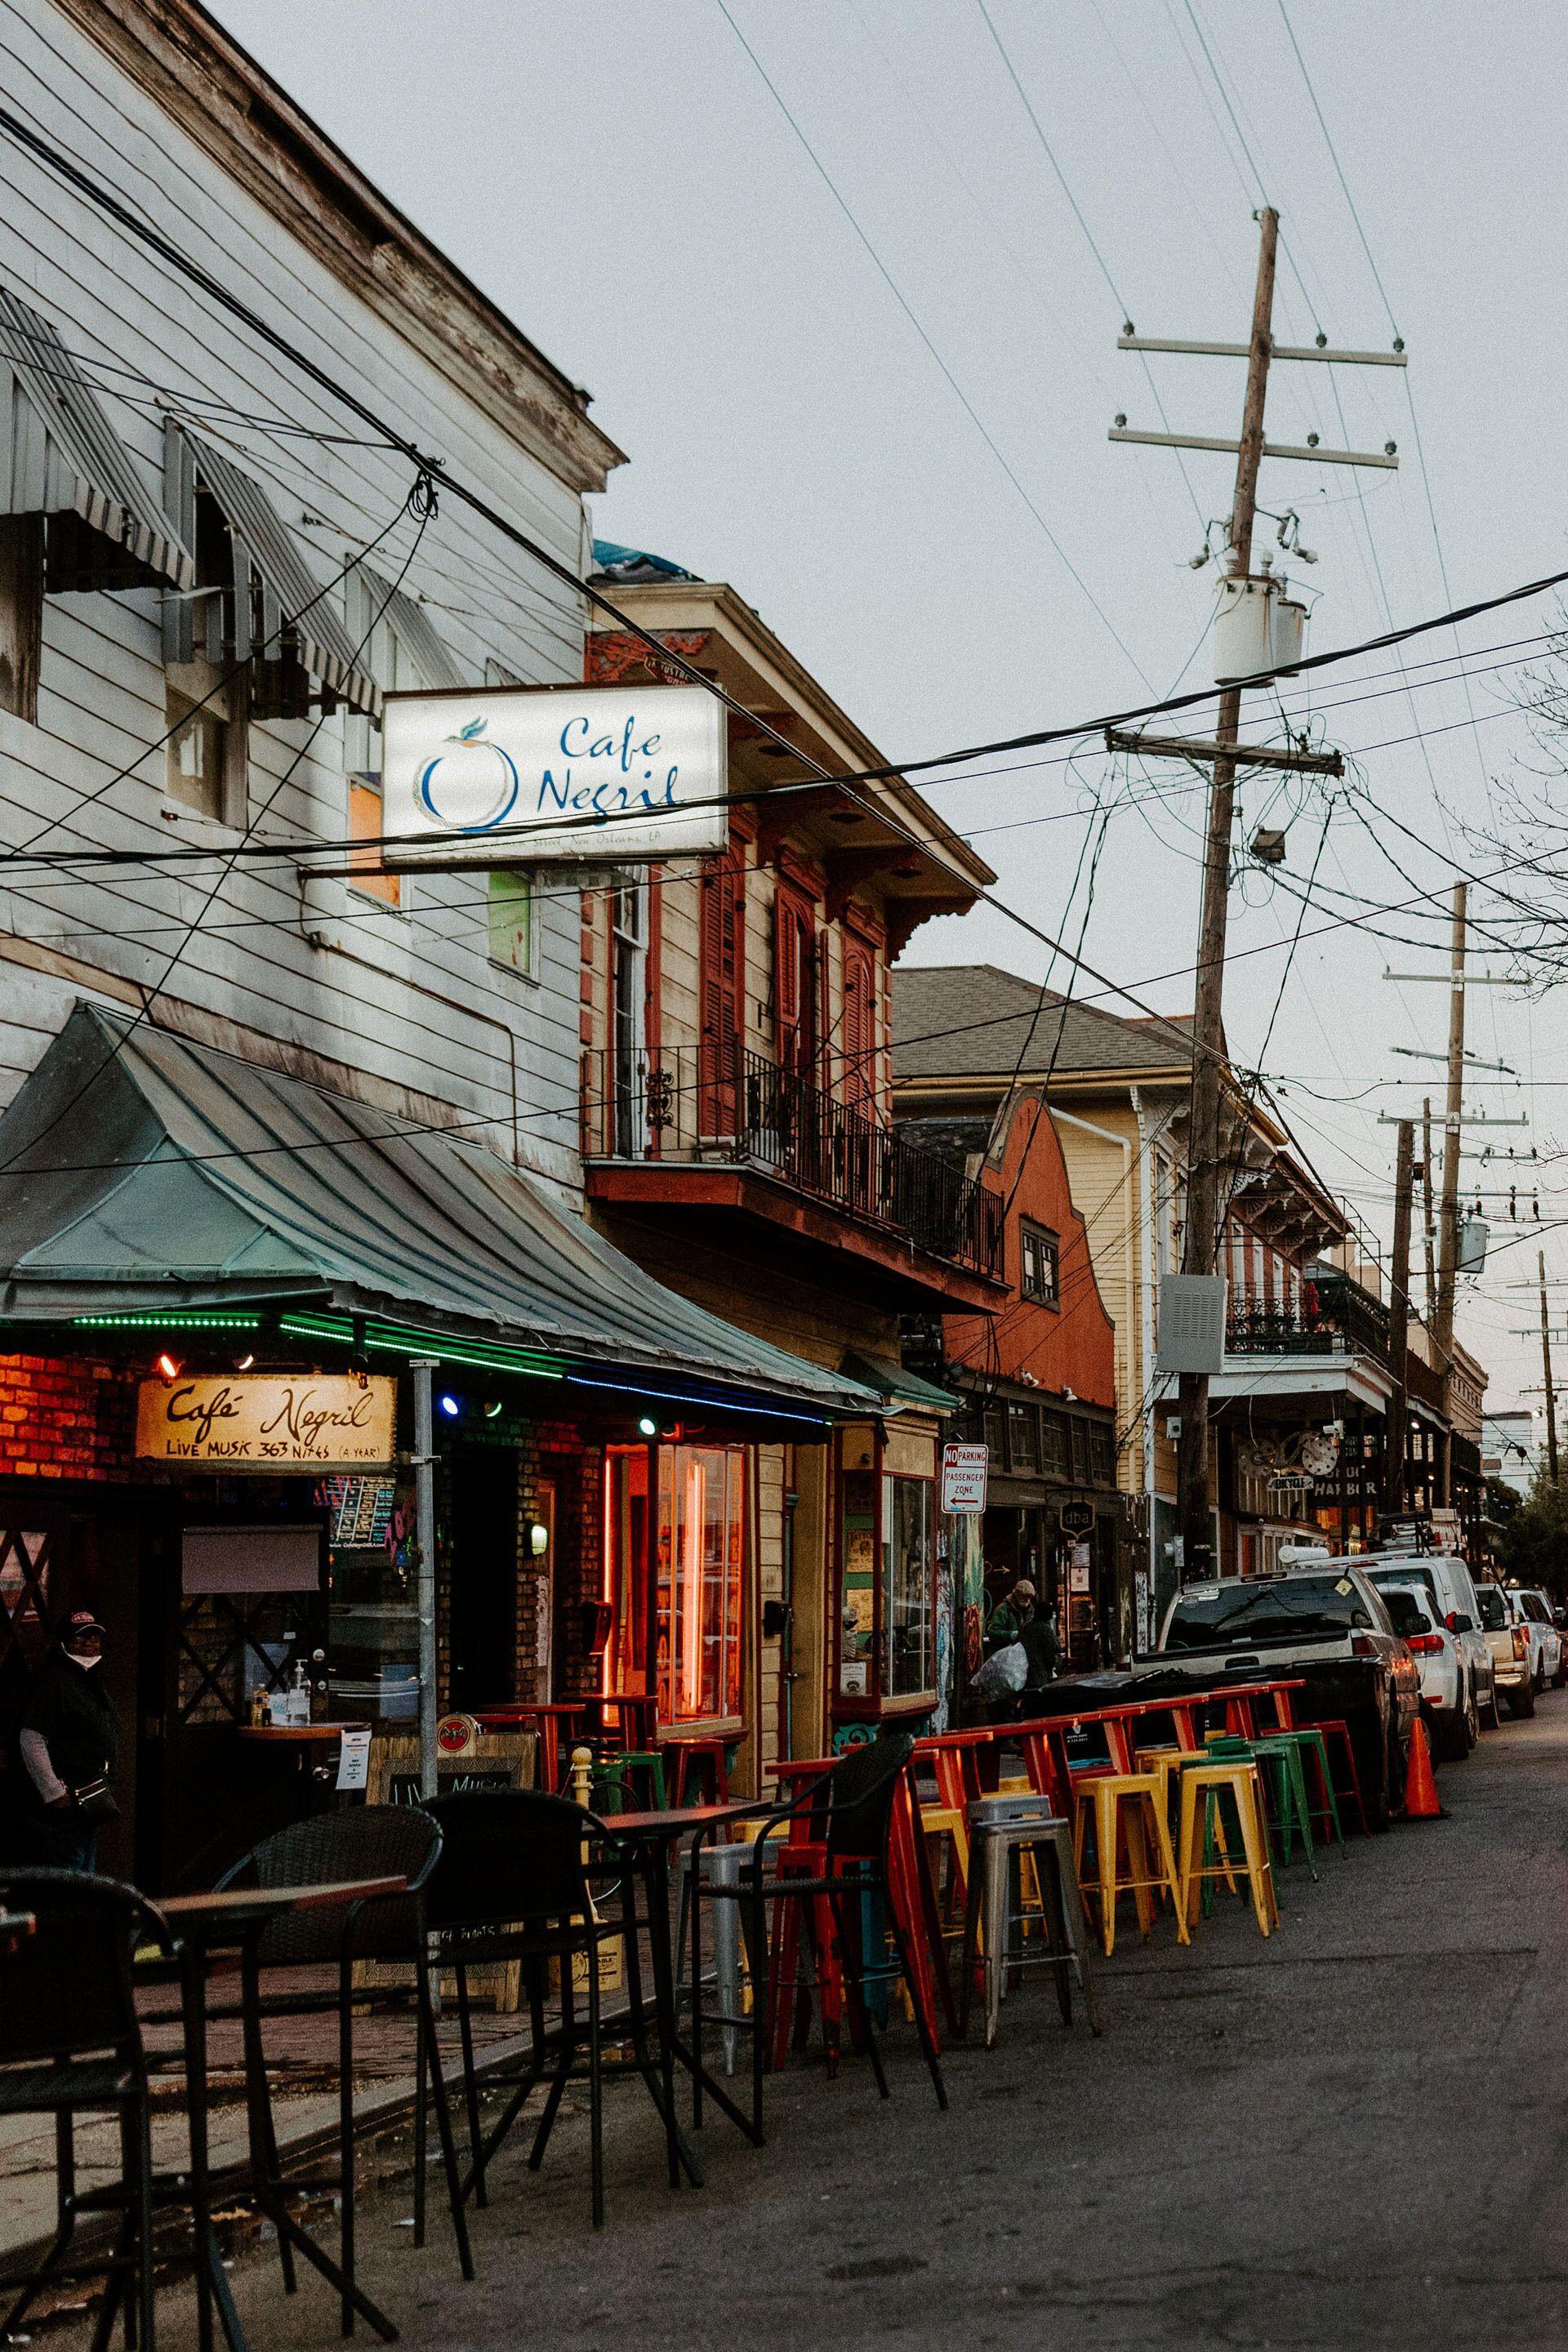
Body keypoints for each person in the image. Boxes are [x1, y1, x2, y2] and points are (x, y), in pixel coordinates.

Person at [18, 1610, 118, 1871]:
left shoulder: (89, 1679)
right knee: (69, 1880)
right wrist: (55, 1793)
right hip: (64, 1811)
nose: (89, 1643)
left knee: (85, 1877)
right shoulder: (55, 1682)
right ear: (63, 1643)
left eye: (94, 1636)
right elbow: (31, 1739)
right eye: (80, 1638)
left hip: (87, 1805)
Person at [1018, 1604, 1062, 1691]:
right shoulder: (1046, 1630)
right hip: (1041, 1677)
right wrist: (1057, 1661)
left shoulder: (1026, 1627)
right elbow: (1050, 1655)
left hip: (1025, 1675)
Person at [987, 1577, 1036, 1650]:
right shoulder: (1003, 1609)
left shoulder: (1032, 1611)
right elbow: (993, 1633)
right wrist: (1011, 1635)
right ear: (1016, 1595)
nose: (1027, 1601)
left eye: (1029, 1598)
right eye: (1024, 1598)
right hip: (1006, 1652)